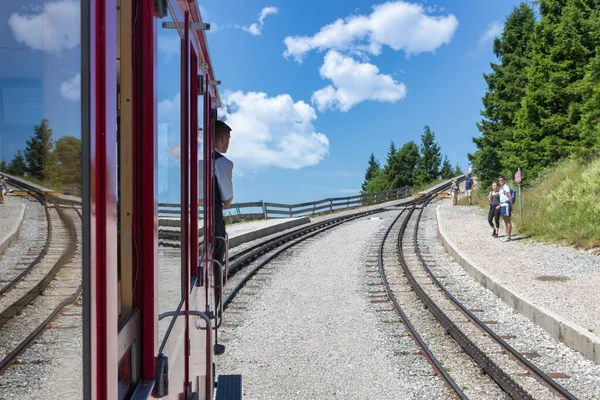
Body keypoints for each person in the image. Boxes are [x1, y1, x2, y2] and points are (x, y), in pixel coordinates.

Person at [213, 120, 234, 267]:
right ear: (222, 139)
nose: (228, 143)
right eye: (228, 140)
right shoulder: (222, 163)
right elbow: (227, 200)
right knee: (216, 262)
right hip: (214, 221)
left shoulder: (198, 160)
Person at [496, 175, 513, 241]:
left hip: (506, 205)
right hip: (502, 205)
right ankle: (507, 235)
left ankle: (509, 236)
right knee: (505, 221)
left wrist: (511, 206)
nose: (500, 181)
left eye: (501, 180)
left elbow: (509, 196)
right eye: (499, 180)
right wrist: (499, 205)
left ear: (504, 180)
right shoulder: (501, 188)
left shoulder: (506, 187)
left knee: (508, 221)